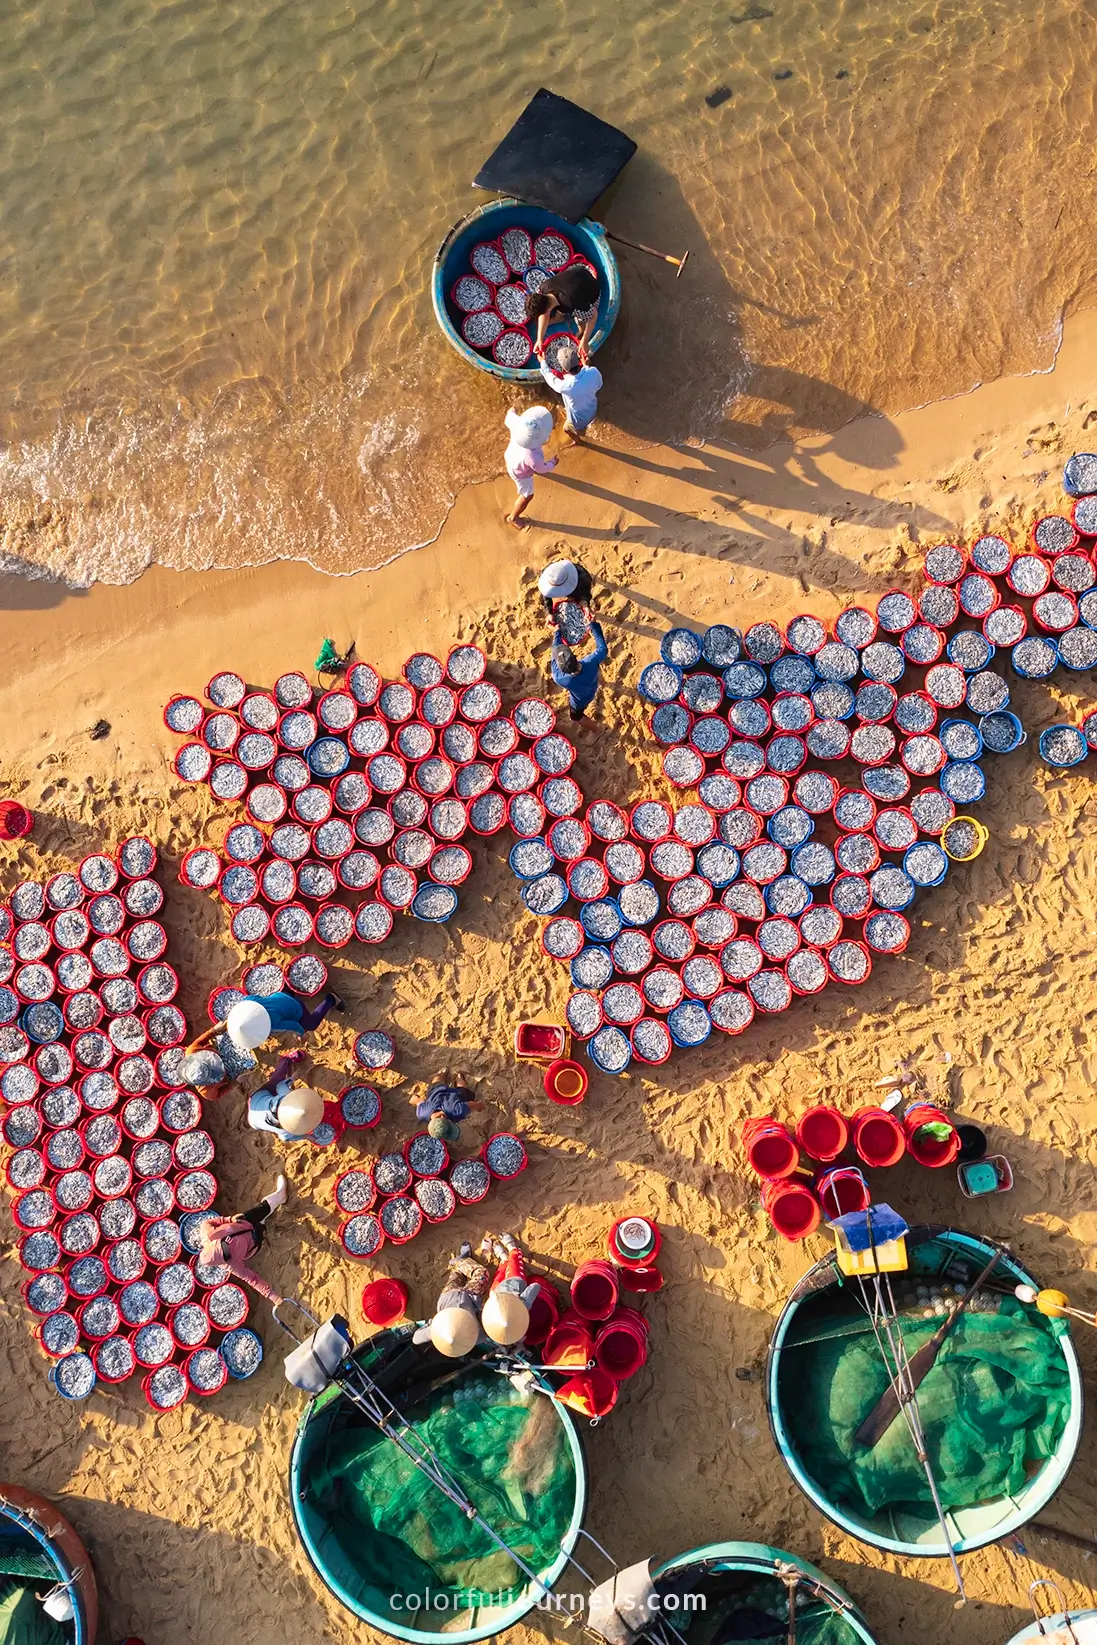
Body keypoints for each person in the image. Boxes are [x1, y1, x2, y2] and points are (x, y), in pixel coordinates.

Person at [198, 1175, 288, 1305]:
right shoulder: (233, 1265)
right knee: (261, 1224)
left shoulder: (207, 1233)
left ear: (214, 1242)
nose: (228, 1246)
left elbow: (208, 1222)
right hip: (253, 1242)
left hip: (242, 1222)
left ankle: (280, 1195)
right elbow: (253, 1279)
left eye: (224, 1244)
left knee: (262, 1208)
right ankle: (263, 1222)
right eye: (227, 1253)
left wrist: (229, 1220)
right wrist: (272, 1296)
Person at [185, 987, 345, 1061]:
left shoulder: (274, 1024)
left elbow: (294, 1026)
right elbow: (255, 996)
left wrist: (302, 1034)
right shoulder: (246, 1002)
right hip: (280, 995)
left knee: (311, 1024)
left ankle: (331, 999)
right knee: (284, 996)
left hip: (295, 1007)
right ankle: (292, 991)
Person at [412, 1242, 493, 1358]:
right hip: (469, 1296)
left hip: (448, 1296)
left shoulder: (436, 1331)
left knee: (456, 1276)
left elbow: (416, 1338)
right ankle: (461, 1261)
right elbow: (482, 1314)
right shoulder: (478, 1336)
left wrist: (433, 1323)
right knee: (482, 1274)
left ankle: (460, 1262)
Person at [246, 1050, 331, 1143]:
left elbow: (281, 1086)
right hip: (255, 1109)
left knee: (277, 1081)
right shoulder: (284, 1129)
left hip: (257, 1101)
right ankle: (287, 1059)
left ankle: (286, 1060)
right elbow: (285, 1138)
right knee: (277, 1079)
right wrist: (306, 1137)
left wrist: (293, 1077)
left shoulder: (285, 1099)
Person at [525, 263, 600, 360]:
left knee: (580, 319)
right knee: (561, 308)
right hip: (580, 273)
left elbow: (594, 315)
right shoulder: (544, 287)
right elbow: (544, 314)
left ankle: (581, 331)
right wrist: (540, 339)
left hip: (593, 290)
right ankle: (559, 317)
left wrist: (585, 341)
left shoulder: (570, 304)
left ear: (547, 310)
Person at [536, 341, 602, 443]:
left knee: (566, 429)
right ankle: (583, 430)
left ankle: (578, 440)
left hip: (579, 420)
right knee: (584, 422)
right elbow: (598, 384)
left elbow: (549, 377)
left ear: (563, 368)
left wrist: (542, 362)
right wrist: (586, 366)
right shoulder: (593, 371)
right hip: (593, 409)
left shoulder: (565, 386)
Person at [504, 406, 556, 530]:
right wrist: (552, 463)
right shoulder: (533, 457)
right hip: (519, 473)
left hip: (510, 457)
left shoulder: (517, 424)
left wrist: (513, 410)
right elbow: (542, 468)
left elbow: (509, 415)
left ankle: (514, 516)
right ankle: (514, 517)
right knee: (527, 495)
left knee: (527, 466)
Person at [551, 620, 608, 723]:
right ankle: (602, 682)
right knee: (594, 673)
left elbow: (555, 651)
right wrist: (593, 625)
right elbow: (603, 649)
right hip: (592, 684)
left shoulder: (560, 678)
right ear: (574, 656)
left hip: (581, 701)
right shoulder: (590, 662)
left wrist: (557, 632)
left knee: (575, 717)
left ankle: (595, 730)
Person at [412, 1072, 484, 1145]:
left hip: (455, 1094)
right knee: (436, 1082)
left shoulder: (457, 1110)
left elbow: (471, 1104)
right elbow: (416, 1099)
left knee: (463, 1090)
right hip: (437, 1090)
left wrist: (479, 1106)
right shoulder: (422, 1113)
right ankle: (441, 1073)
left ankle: (459, 1077)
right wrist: (417, 1099)